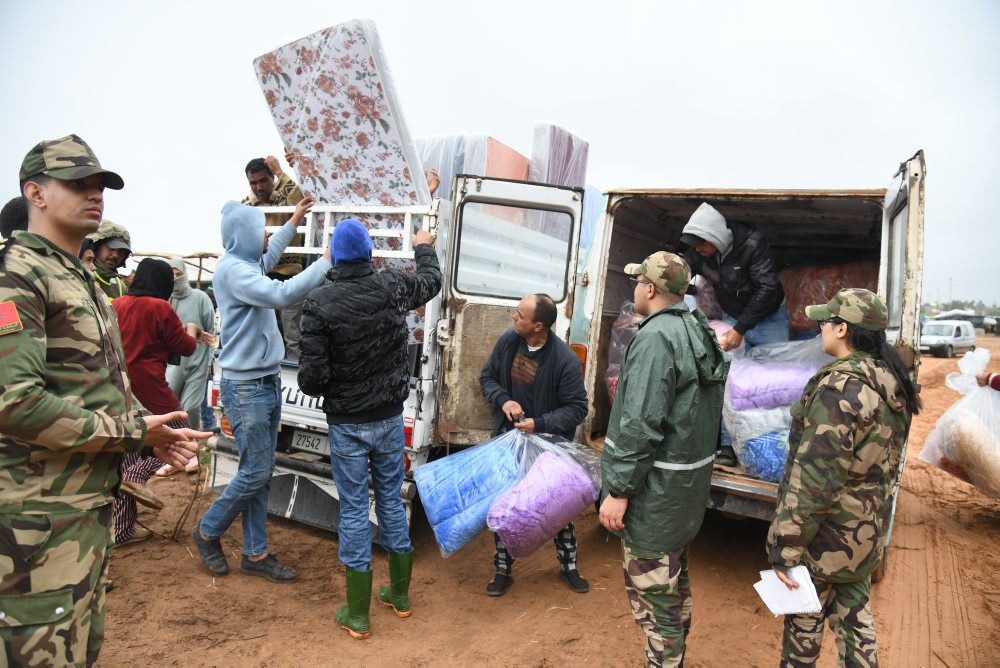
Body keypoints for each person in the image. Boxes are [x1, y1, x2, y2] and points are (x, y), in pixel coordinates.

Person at [0, 134, 204, 665]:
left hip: (83, 512)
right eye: (78, 184)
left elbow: (97, 383)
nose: (95, 194)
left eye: (100, 185)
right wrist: (136, 433)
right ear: (35, 194)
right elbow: (14, 402)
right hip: (36, 521)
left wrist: (149, 427)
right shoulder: (16, 274)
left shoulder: (82, 279)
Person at [298, 219, 442, 639]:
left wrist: (341, 385)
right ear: (369, 253)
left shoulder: (319, 302)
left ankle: (357, 614)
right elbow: (431, 281)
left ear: (334, 255)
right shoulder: (391, 286)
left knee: (356, 510)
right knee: (393, 503)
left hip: (347, 424)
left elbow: (309, 380)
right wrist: (422, 246)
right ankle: (399, 596)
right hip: (390, 417)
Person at [766, 288, 920, 667]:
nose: (821, 328)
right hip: (864, 535)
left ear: (842, 329)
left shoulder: (841, 390)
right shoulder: (888, 382)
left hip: (825, 543)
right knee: (857, 631)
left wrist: (785, 547)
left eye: (825, 321)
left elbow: (815, 481)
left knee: (803, 635)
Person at [598, 251, 729, 668]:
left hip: (655, 497)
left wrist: (618, 490)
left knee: (653, 597)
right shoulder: (697, 329)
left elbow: (639, 423)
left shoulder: (656, 338)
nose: (635, 287)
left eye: (638, 282)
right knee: (672, 584)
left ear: (650, 289)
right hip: (684, 494)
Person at [191, 197, 330, 583]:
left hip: (264, 382)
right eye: (261, 228)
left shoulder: (246, 265)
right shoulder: (235, 271)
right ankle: (207, 530)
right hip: (247, 387)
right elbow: (283, 295)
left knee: (260, 472)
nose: (266, 234)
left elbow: (269, 257)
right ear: (244, 234)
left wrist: (294, 221)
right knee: (255, 472)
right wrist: (325, 262)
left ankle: (256, 554)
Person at [479, 293, 590, 597]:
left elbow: (578, 409)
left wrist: (538, 423)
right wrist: (504, 400)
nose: (514, 318)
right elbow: (487, 377)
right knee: (507, 505)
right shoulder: (509, 342)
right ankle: (503, 569)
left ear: (538, 326)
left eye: (520, 315)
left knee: (558, 508)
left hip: (548, 446)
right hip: (509, 441)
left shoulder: (564, 360)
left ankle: (569, 567)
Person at [678, 201, 787, 466]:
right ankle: (728, 446)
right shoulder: (701, 252)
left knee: (773, 383)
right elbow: (681, 271)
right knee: (729, 380)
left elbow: (767, 289)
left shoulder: (751, 243)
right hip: (733, 315)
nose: (698, 250)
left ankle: (776, 447)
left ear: (714, 237)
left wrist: (740, 329)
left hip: (769, 315)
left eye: (701, 244)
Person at [111, 258, 209, 543]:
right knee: (183, 430)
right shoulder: (159, 307)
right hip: (151, 387)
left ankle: (122, 529)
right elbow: (186, 347)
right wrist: (191, 328)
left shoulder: (116, 305)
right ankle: (138, 476)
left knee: (128, 451)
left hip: (120, 389)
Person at [242, 154, 306, 360]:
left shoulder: (284, 196)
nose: (259, 187)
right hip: (260, 277)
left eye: (263, 180)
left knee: (292, 334)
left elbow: (299, 196)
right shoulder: (246, 206)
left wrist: (280, 171)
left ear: (273, 179)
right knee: (262, 332)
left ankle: (296, 383)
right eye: (253, 183)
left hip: (289, 275)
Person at [159, 257, 217, 476]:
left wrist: (210, 359)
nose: (175, 277)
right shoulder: (165, 300)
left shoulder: (201, 297)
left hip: (197, 362)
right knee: (170, 409)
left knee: (190, 407)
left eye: (178, 272)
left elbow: (212, 333)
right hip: (173, 364)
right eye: (171, 273)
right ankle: (174, 455)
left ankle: (191, 453)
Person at [86, 218, 132, 300]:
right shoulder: (84, 274)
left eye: (121, 251)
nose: (115, 255)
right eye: (111, 248)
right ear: (97, 246)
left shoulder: (121, 287)